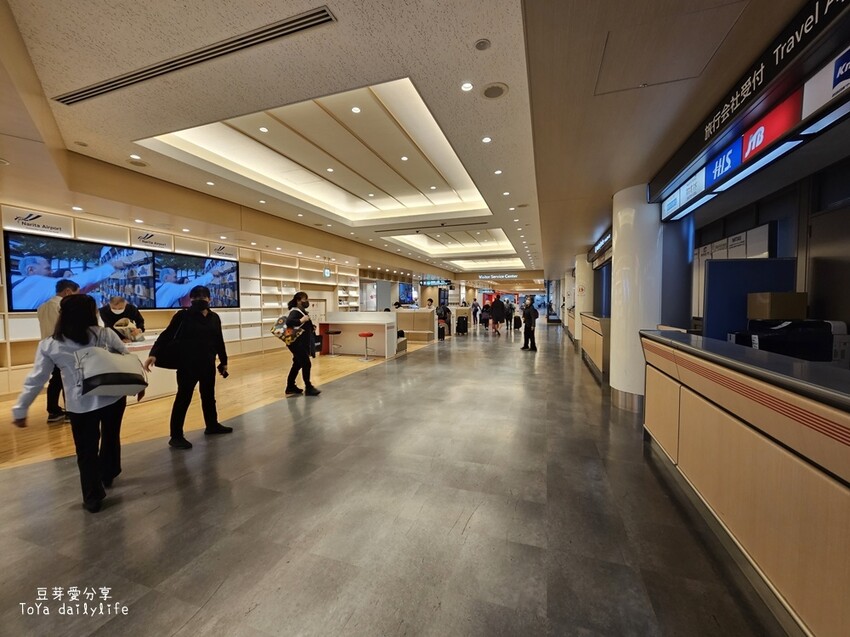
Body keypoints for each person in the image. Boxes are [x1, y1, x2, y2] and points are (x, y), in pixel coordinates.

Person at [12, 294, 145, 512]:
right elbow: (125, 356)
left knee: (85, 450)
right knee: (111, 436)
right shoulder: (104, 333)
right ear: (90, 314)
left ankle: (92, 497)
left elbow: (36, 379)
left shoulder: (50, 344)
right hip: (113, 397)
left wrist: (21, 408)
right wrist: (138, 385)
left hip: (79, 404)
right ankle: (108, 473)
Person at [144, 286, 231, 449]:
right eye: (196, 297)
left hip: (208, 363)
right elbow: (166, 335)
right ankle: (176, 435)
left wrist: (223, 361)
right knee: (183, 398)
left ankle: (212, 425)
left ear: (210, 299)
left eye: (204, 297)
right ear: (190, 300)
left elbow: (218, 340)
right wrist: (153, 354)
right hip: (187, 364)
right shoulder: (183, 316)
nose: (200, 300)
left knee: (208, 396)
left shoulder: (214, 317)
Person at [12, 255, 128, 310]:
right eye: (47, 268)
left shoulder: (18, 287)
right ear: (31, 270)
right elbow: (75, 282)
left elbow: (79, 289)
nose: (51, 272)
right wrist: (111, 267)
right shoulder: (34, 281)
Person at [36, 279, 79, 423]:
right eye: (74, 294)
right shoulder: (63, 307)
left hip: (48, 347)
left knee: (56, 380)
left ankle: (53, 411)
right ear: (67, 291)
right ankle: (71, 411)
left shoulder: (42, 306)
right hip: (63, 347)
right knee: (68, 379)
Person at [284, 292, 321, 397]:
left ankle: (290, 386)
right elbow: (289, 322)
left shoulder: (301, 310)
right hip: (296, 344)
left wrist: (310, 326)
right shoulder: (295, 311)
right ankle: (308, 387)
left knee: (297, 364)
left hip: (299, 343)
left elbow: (302, 325)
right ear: (298, 300)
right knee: (306, 363)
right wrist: (301, 320)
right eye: (305, 299)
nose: (307, 301)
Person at [155, 267, 220, 309]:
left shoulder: (161, 289)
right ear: (166, 278)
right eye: (175, 277)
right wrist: (210, 274)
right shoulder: (168, 287)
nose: (177, 280)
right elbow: (189, 287)